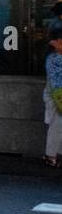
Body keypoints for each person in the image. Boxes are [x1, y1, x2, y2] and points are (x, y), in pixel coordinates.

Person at [44, 31, 62, 167]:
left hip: (56, 95)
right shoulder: (52, 58)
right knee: (56, 125)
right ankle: (51, 155)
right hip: (56, 95)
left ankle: (55, 154)